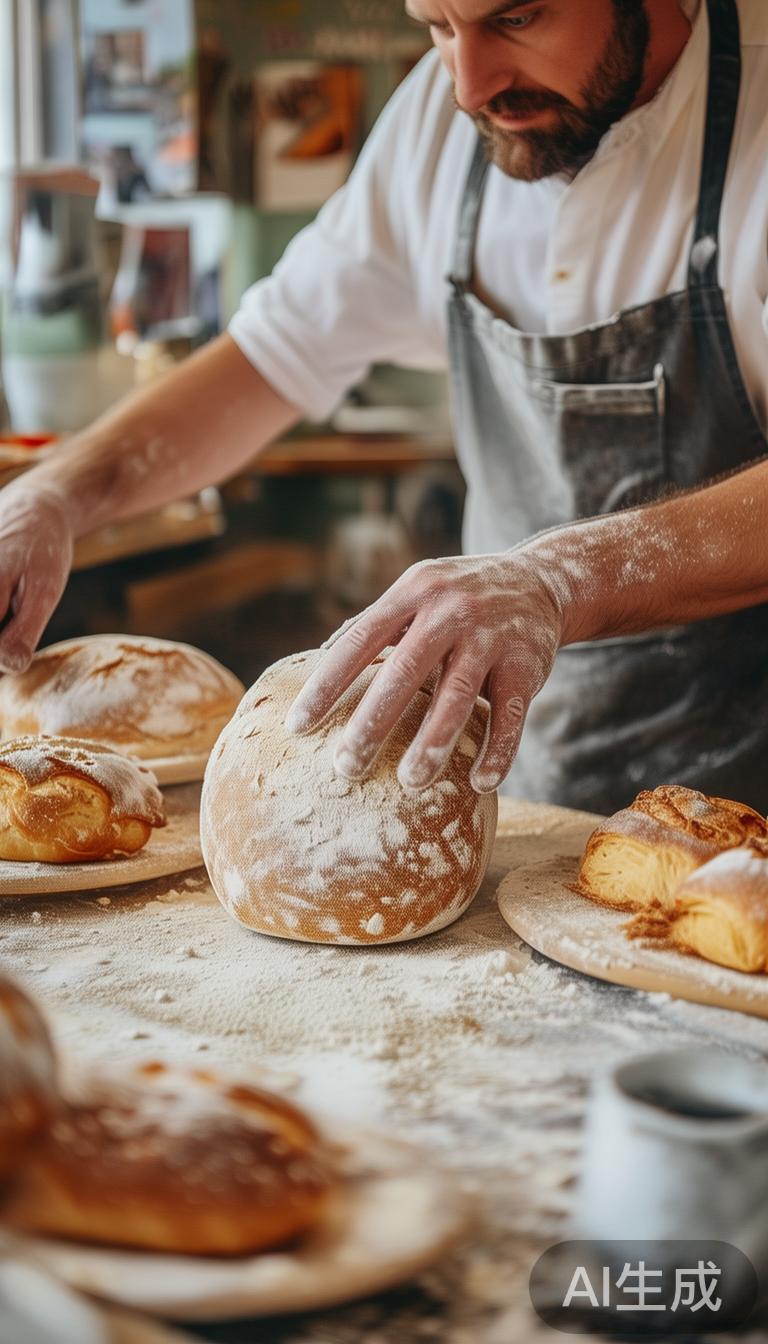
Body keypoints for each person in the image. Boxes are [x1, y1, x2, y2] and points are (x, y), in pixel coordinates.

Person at [1, 0, 766, 813]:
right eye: (436, 25)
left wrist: (553, 581)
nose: (470, 84)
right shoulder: (440, 124)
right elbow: (272, 354)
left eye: (517, 19)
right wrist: (59, 490)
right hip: (529, 780)